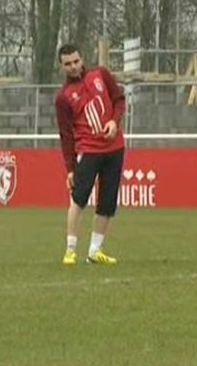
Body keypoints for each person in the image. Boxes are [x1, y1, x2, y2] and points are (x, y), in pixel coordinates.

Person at [55, 43, 125, 266]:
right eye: (68, 64)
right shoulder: (63, 97)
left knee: (107, 202)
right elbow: (66, 136)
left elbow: (119, 100)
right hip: (88, 151)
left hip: (114, 149)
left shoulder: (100, 75)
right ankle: (70, 250)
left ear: (82, 59)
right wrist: (69, 169)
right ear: (62, 66)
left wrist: (114, 121)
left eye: (76, 61)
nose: (73, 67)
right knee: (78, 199)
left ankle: (95, 250)